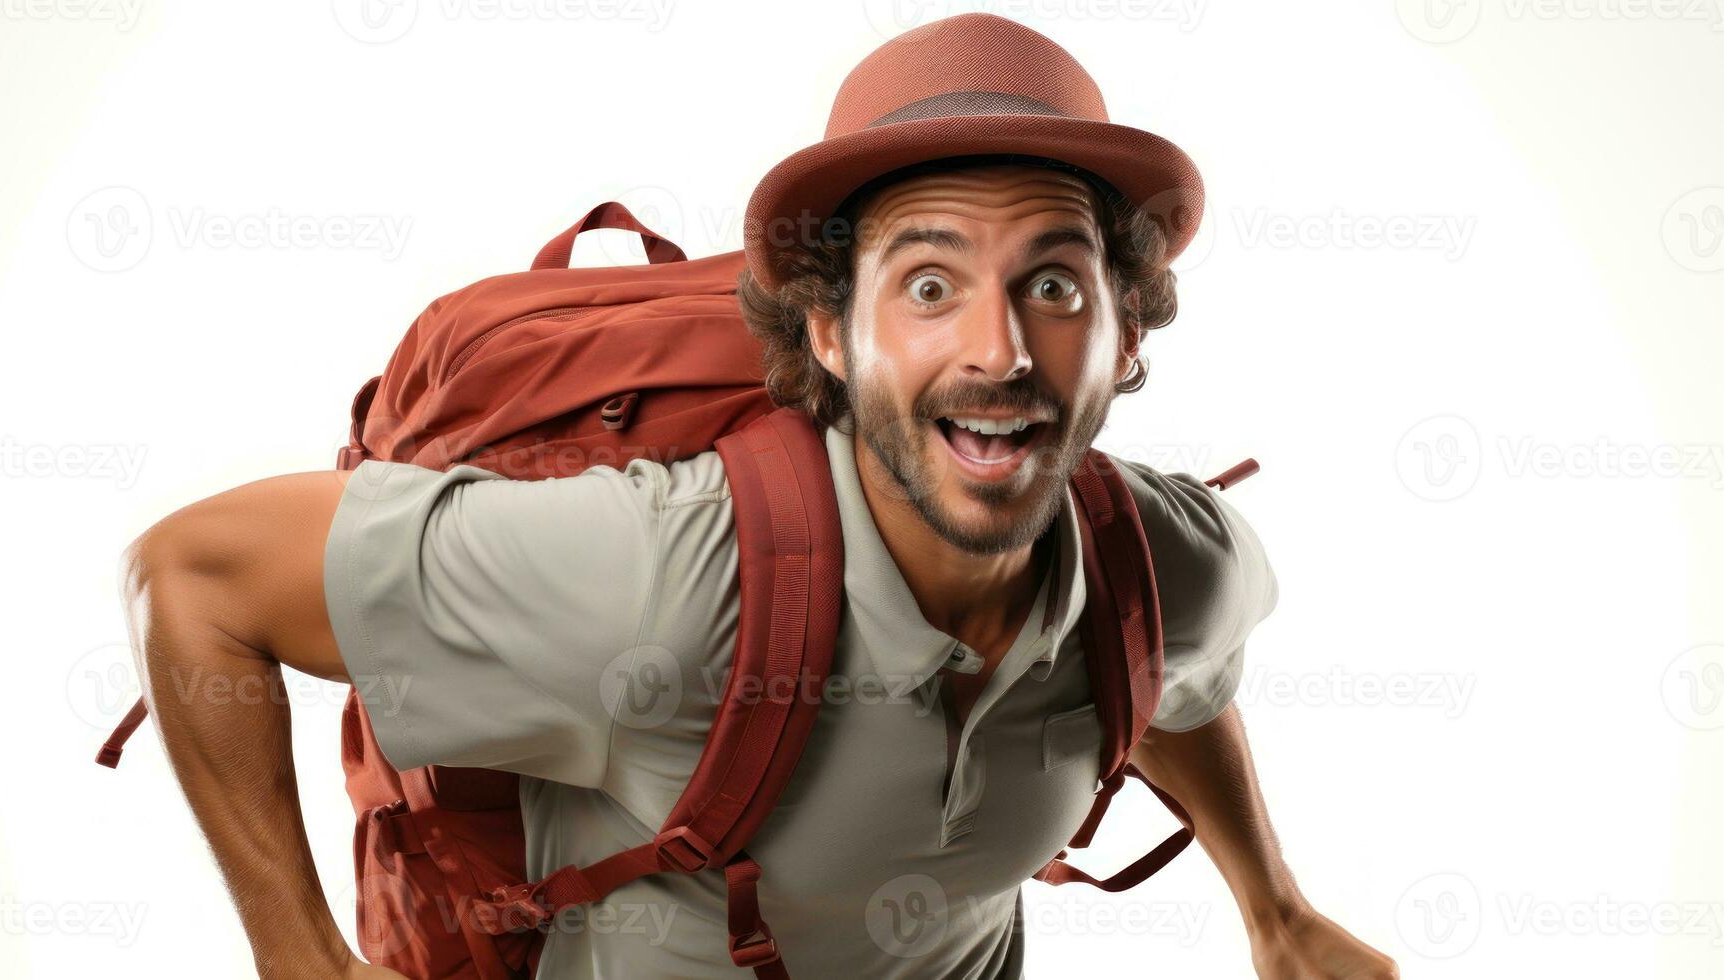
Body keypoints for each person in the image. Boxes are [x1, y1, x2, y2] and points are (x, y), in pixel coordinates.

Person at [119, 13, 1397, 979]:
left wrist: (1275, 907)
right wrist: (300, 957)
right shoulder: (665, 583)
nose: (1000, 349)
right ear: (831, 335)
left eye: (1055, 284)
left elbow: (1175, 673)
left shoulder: (1169, 560)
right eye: (931, 284)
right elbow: (193, 575)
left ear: (1126, 337)